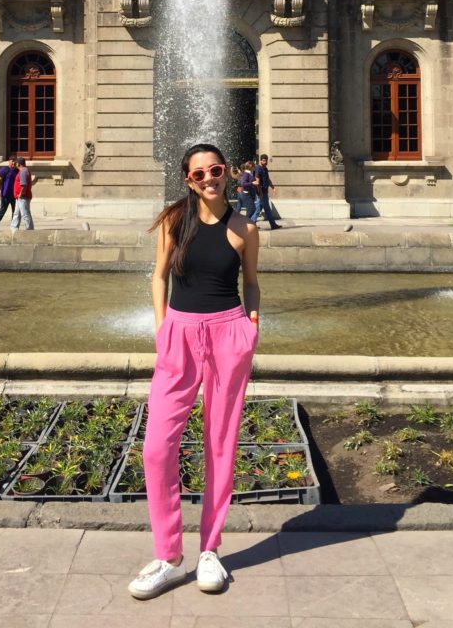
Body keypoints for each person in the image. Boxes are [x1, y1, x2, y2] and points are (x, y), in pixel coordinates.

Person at [128, 143, 260, 601]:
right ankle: (168, 556)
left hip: (228, 334)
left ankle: (209, 550)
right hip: (179, 335)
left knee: (220, 443)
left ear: (227, 174)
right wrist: (163, 325)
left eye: (216, 170)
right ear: (187, 179)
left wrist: (252, 325)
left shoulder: (244, 228)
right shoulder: (173, 221)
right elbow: (159, 275)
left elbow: (252, 282)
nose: (209, 178)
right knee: (156, 447)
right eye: (199, 173)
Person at [252, 153, 281, 230]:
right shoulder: (258, 168)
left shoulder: (265, 169)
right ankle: (273, 225)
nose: (265, 162)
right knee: (266, 209)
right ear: (261, 160)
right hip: (261, 193)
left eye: (266, 160)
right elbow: (257, 181)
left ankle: (251, 224)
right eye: (264, 160)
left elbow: (268, 179)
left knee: (258, 209)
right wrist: (260, 193)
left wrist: (273, 187)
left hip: (264, 192)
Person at [0, 155, 18, 230]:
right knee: (2, 210)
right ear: (9, 161)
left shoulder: (17, 170)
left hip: (14, 195)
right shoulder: (4, 169)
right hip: (5, 194)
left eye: (14, 161)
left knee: (15, 211)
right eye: (12, 161)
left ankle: (14, 225)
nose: (13, 162)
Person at [10, 157, 34, 230]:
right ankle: (14, 228)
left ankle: (29, 229)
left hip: (23, 197)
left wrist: (21, 194)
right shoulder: (22, 171)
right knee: (16, 213)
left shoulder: (23, 171)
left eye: (16, 162)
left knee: (25, 213)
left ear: (19, 164)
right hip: (19, 197)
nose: (14, 163)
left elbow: (23, 185)